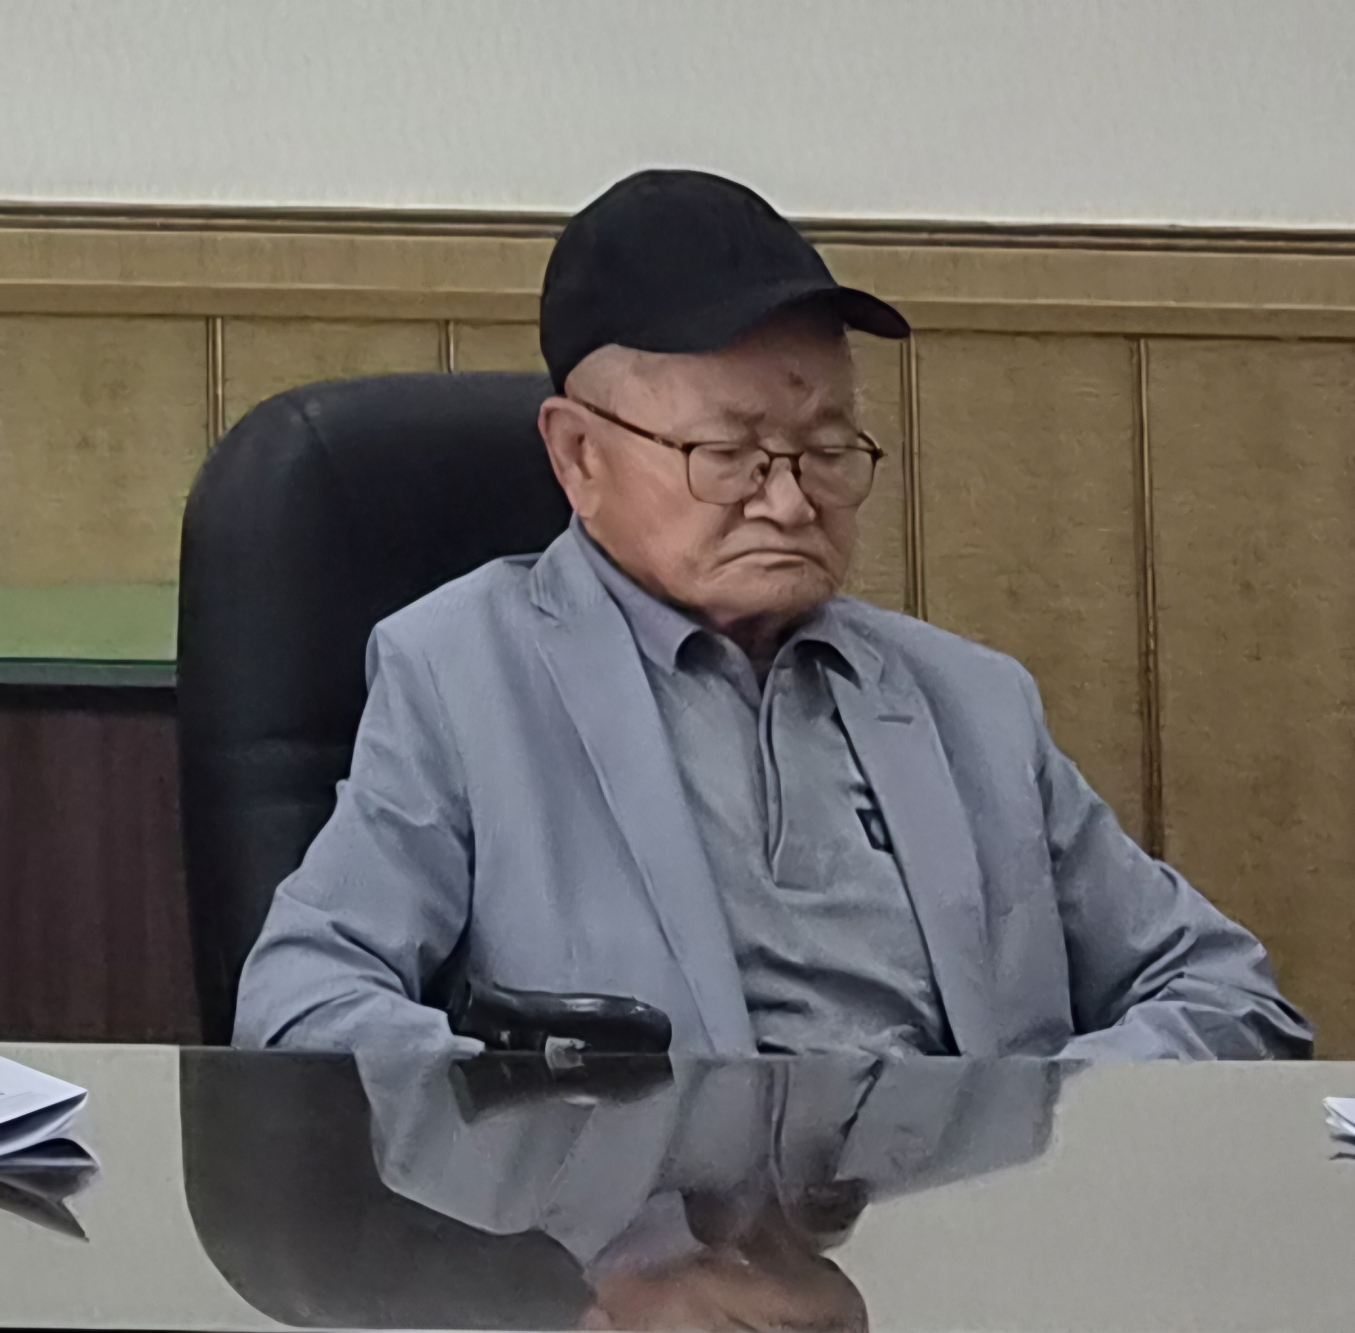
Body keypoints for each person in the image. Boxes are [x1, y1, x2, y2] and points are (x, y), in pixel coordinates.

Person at [233, 169, 1312, 1068]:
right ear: (578, 455)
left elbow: (1225, 992)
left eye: (826, 450)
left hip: (950, 1230)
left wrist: (1033, 1118)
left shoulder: (971, 704)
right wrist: (537, 1125)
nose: (791, 503)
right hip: (634, 1233)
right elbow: (302, 1000)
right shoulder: (461, 674)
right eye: (729, 454)